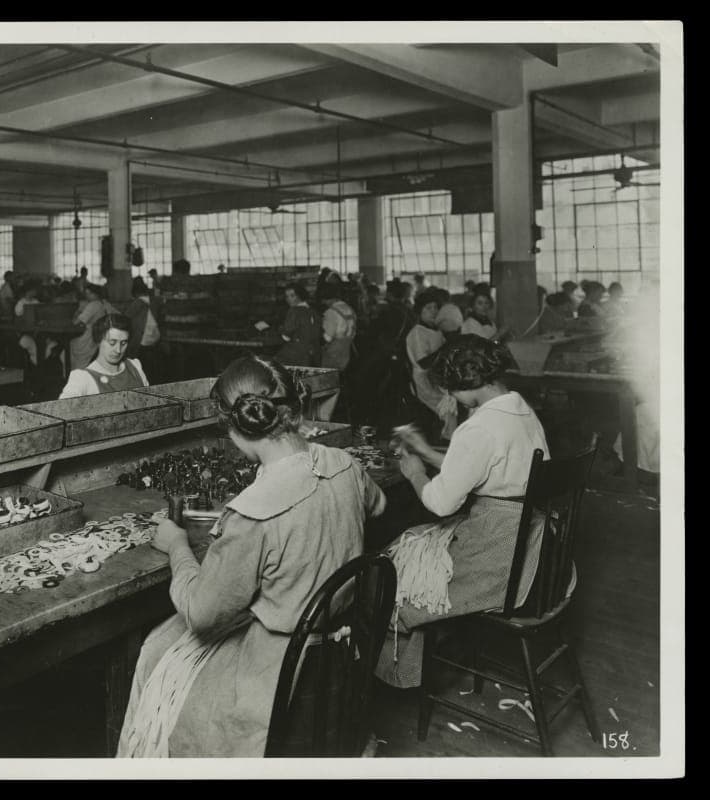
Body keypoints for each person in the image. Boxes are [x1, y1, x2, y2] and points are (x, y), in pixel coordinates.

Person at [117, 356, 387, 756]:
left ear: (236, 428)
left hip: (277, 667)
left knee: (156, 651)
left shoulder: (252, 514)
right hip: (340, 648)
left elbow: (201, 615)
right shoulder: (343, 463)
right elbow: (378, 505)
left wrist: (177, 545)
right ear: (293, 411)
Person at [375, 335, 553, 688]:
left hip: (498, 554)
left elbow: (441, 503)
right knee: (416, 544)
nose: (450, 398)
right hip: (532, 540)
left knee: (396, 565)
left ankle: (400, 672)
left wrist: (415, 474)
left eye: (450, 390)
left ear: (465, 384)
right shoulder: (519, 410)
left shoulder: (478, 427)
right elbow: (483, 467)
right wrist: (427, 452)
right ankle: (411, 662)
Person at [406, 287, 458, 440]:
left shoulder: (436, 330)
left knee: (456, 396)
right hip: (423, 380)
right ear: (420, 311)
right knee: (448, 403)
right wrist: (447, 347)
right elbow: (423, 363)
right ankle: (448, 436)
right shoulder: (417, 332)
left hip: (435, 376)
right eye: (429, 308)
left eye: (436, 307)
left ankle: (451, 435)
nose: (434, 311)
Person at [59, 313, 149, 398]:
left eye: (123, 343)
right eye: (112, 343)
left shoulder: (135, 367)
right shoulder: (83, 378)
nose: (118, 350)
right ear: (98, 341)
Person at [316, 281, 358, 421]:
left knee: (325, 383)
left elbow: (327, 337)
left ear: (326, 298)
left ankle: (324, 416)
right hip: (346, 351)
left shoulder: (331, 312)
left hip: (333, 352)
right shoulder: (348, 308)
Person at [273, 282, 320, 368]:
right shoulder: (312, 311)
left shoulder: (294, 311)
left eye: (292, 296)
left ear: (300, 295)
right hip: (312, 354)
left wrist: (279, 329)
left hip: (295, 354)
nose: (288, 299)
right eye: (287, 296)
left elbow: (286, 337)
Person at [126, 277, 162, 383]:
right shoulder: (154, 301)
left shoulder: (137, 303)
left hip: (142, 339)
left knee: (141, 366)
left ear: (135, 292)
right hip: (154, 338)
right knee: (152, 367)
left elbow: (127, 317)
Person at [68, 283, 109, 371]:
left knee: (70, 344)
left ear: (94, 294)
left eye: (88, 293)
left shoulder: (93, 305)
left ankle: (74, 374)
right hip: (97, 335)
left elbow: (76, 322)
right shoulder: (101, 303)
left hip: (89, 337)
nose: (86, 296)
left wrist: (79, 310)